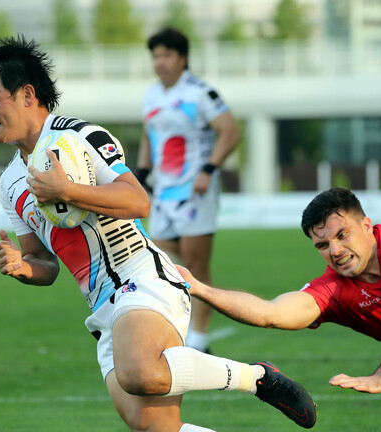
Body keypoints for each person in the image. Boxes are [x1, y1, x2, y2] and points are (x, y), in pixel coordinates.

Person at [0, 35, 317, 432]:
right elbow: (44, 263)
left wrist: (67, 191)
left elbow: (137, 201)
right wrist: (22, 267)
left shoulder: (79, 136)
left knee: (140, 374)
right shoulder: (9, 182)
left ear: (27, 94)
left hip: (142, 278)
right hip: (101, 306)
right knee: (155, 427)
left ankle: (256, 378)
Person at [178, 187, 381, 411]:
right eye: (322, 245)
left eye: (343, 235)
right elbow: (270, 313)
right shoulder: (334, 290)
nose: (335, 251)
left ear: (367, 226)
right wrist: (199, 289)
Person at [137, 27, 241, 353]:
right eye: (156, 56)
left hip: (195, 191)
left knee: (196, 264)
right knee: (161, 257)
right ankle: (185, 325)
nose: (160, 62)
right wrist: (140, 174)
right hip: (163, 193)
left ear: (182, 58)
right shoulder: (151, 96)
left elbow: (231, 132)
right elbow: (148, 137)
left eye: (167, 55)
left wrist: (209, 169)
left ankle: (199, 339)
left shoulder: (200, 93)